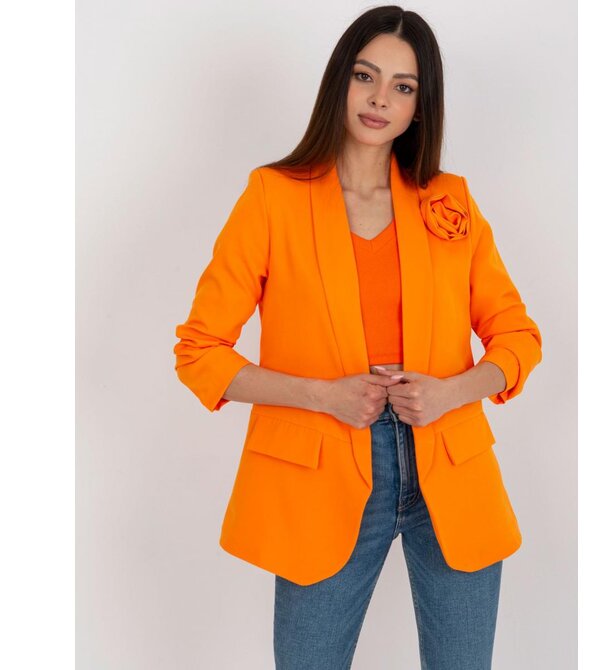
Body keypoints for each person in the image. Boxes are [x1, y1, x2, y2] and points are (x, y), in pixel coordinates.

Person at [173, 6, 542, 669]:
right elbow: (200, 351)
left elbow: (517, 336)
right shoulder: (273, 198)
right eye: (365, 76)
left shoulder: (448, 199)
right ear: (339, 80)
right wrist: (323, 395)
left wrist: (453, 391)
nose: (379, 99)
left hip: (450, 470)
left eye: (403, 86)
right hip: (323, 474)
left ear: (420, 106)